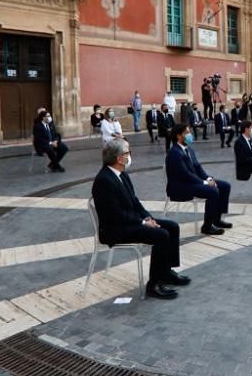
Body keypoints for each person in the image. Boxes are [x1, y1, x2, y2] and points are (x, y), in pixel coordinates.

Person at [92, 139, 187, 300]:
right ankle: (154, 284)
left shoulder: (121, 174)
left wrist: (147, 217)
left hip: (130, 222)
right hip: (115, 229)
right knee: (161, 235)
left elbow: (135, 202)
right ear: (119, 158)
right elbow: (115, 214)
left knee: (172, 226)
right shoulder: (104, 180)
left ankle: (166, 272)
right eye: (128, 153)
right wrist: (143, 223)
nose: (130, 156)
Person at [166, 124, 231, 235]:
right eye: (186, 133)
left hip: (192, 183)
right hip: (181, 186)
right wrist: (205, 183)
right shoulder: (174, 153)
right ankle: (207, 226)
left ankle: (217, 219)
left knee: (225, 186)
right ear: (178, 136)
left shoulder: (189, 149)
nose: (189, 134)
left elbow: (198, 167)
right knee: (213, 191)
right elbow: (185, 174)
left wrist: (208, 178)